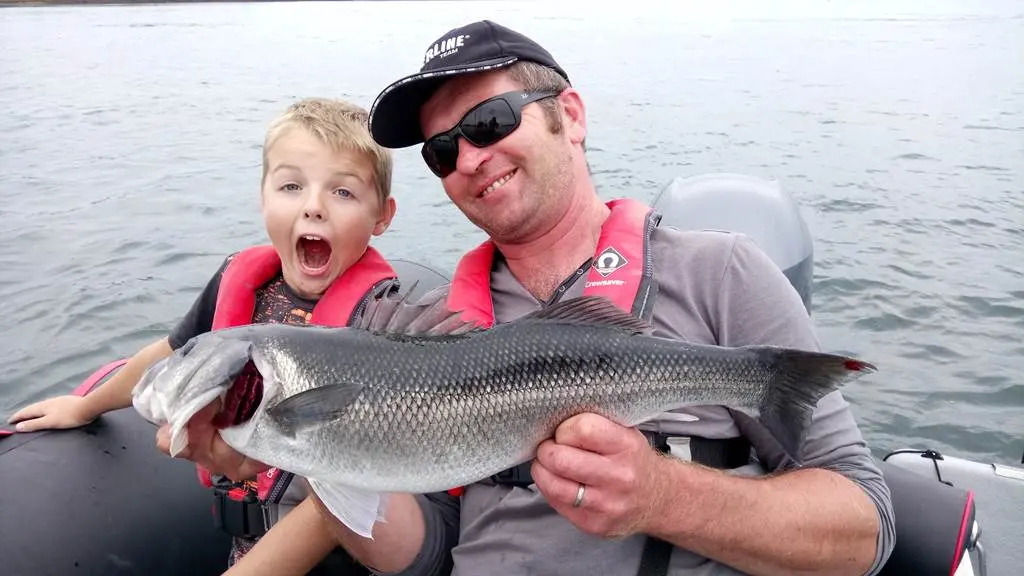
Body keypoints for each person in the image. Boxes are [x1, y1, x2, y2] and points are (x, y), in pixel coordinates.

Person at [161, 21, 897, 576]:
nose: (470, 159)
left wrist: (664, 497)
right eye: (443, 151)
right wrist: (323, 458)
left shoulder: (720, 273)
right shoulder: (446, 322)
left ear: (569, 115)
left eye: (488, 122)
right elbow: (427, 552)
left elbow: (866, 528)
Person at [7, 97, 398, 575]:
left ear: (382, 216)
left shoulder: (383, 318)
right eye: (292, 185)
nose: (313, 207)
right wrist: (86, 405)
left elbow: (339, 497)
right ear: (263, 198)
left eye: (343, 192)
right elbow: (170, 353)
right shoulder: (238, 281)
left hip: (343, 542)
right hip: (244, 532)